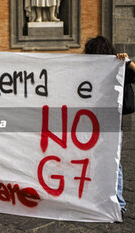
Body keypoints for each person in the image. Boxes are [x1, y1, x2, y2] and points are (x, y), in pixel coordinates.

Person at [84, 35, 135, 218]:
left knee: (112, 161)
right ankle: (106, 199)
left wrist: (127, 61)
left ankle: (119, 203)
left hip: (106, 121)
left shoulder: (118, 67)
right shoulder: (90, 69)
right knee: (102, 160)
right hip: (98, 120)